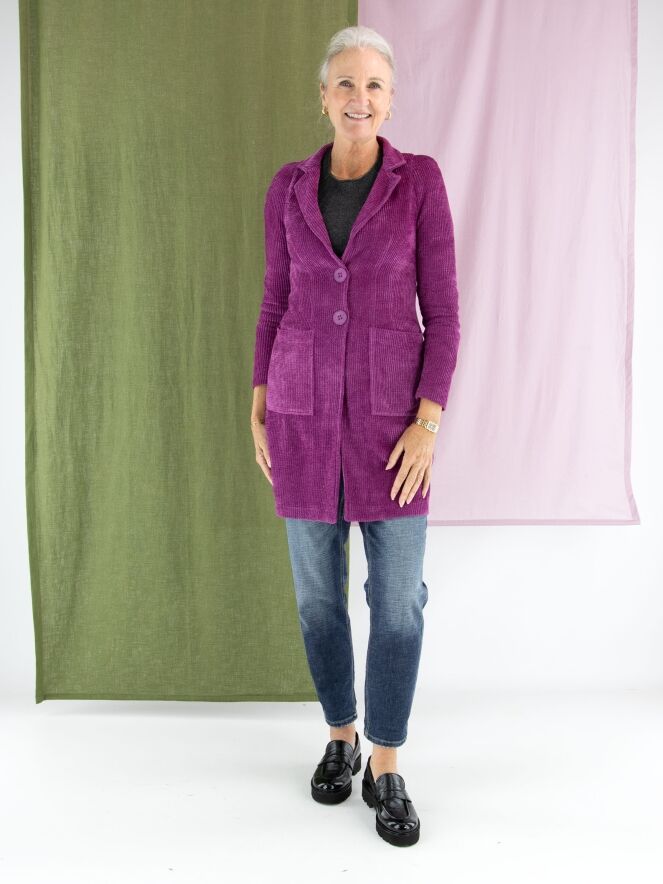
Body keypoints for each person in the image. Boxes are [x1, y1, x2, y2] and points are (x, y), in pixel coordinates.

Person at [250, 25, 460, 847]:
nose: (358, 99)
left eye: (373, 85)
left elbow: (443, 313)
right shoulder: (288, 186)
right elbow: (275, 300)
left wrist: (427, 421)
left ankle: (386, 761)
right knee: (316, 600)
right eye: (344, 83)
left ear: (390, 100)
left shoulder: (419, 182)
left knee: (398, 604)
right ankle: (339, 735)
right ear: (323, 97)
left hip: (391, 429)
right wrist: (259, 395)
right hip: (300, 421)